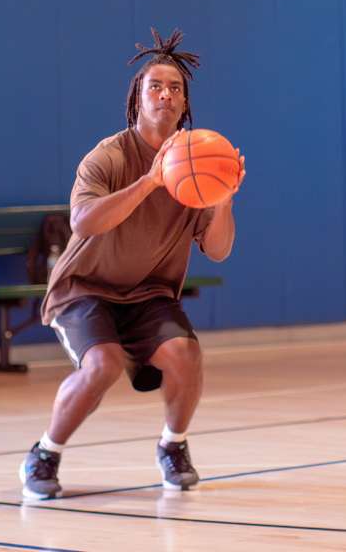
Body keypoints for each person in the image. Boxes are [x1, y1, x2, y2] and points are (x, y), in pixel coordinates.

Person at [19, 28, 246, 499]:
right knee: (101, 365)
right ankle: (45, 453)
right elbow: (83, 221)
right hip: (84, 290)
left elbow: (219, 249)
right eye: (155, 87)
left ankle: (173, 445)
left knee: (185, 354)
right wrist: (149, 182)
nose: (166, 94)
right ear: (136, 100)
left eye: (175, 88)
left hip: (149, 293)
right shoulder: (109, 156)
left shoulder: (200, 160)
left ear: (184, 104)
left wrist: (223, 199)